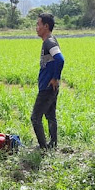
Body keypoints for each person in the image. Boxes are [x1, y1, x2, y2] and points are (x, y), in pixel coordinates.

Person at [31, 13, 64, 149]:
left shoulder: (49, 42)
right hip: (49, 86)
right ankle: (53, 144)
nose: (36, 27)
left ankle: (43, 147)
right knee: (50, 115)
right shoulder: (49, 41)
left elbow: (60, 59)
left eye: (38, 24)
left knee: (35, 118)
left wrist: (55, 78)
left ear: (46, 26)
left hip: (47, 87)